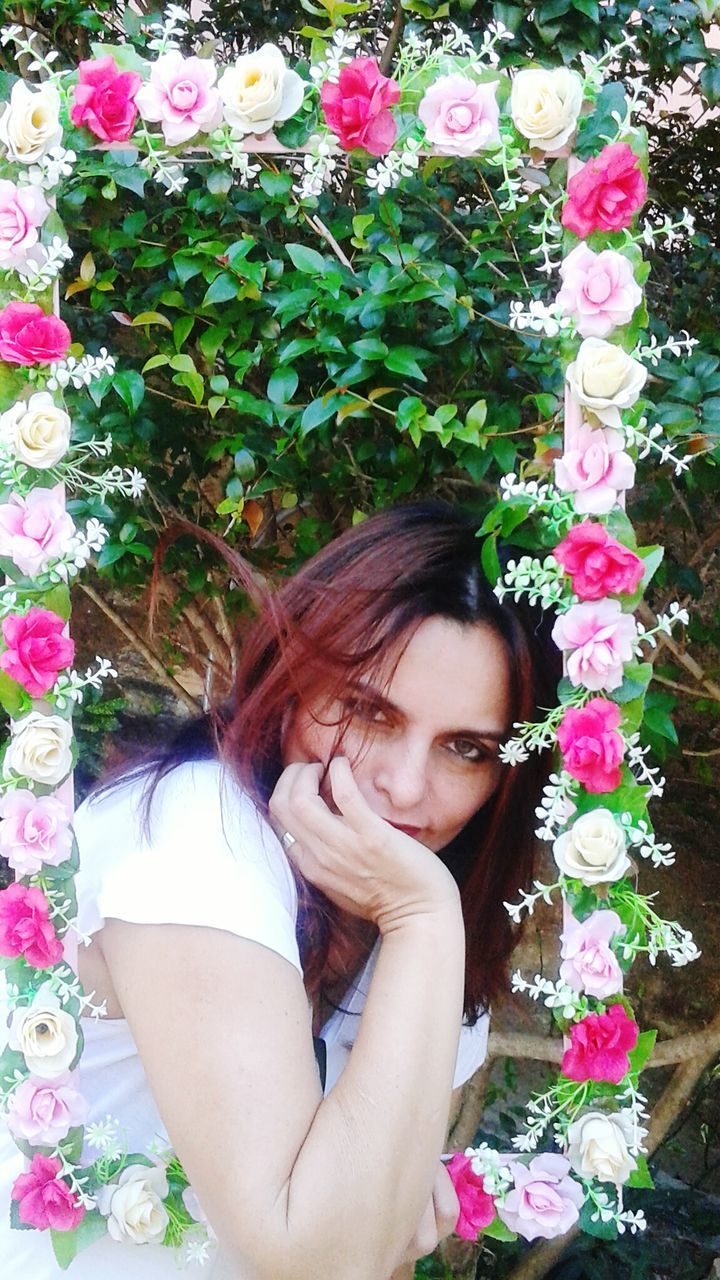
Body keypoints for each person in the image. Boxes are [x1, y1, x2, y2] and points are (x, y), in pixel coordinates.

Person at [0, 501, 559, 1279]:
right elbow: (319, 1258)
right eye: (368, 711)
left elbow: (362, 1251)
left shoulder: (413, 914)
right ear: (294, 680)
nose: (402, 788)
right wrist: (423, 918)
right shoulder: (198, 830)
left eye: (465, 748)